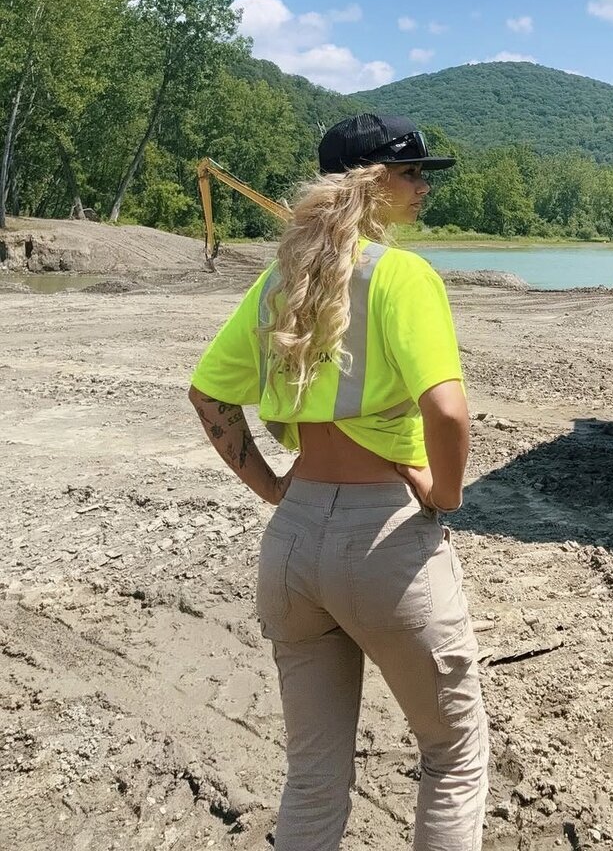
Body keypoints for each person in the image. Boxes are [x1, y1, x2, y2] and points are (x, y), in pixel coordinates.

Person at [188, 112, 489, 851]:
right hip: (383, 541)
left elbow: (209, 397)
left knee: (314, 775)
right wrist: (446, 496)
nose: (423, 186)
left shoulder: (278, 283)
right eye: (411, 173)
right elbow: (448, 411)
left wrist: (272, 489)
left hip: (292, 548)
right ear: (372, 183)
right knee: (452, 757)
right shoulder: (401, 275)